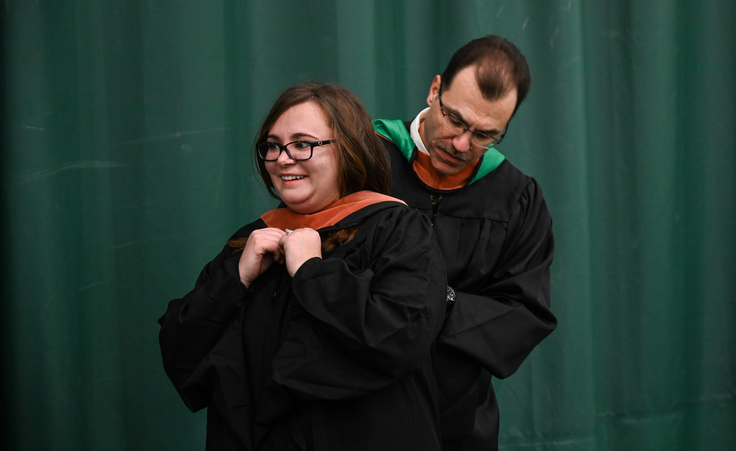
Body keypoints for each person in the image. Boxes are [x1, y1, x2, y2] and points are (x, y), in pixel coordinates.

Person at [159, 83, 448, 450]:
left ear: (347, 150)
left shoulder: (397, 230)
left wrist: (313, 271)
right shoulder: (253, 240)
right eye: (273, 145)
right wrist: (236, 278)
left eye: (302, 144)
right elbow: (181, 352)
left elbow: (399, 338)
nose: (282, 158)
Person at [373, 35, 558, 450]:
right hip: (350, 414)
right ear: (435, 90)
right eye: (455, 120)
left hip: (454, 427)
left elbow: (524, 311)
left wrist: (444, 300)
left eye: (484, 135)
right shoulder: (366, 159)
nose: (461, 145)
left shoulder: (516, 199)